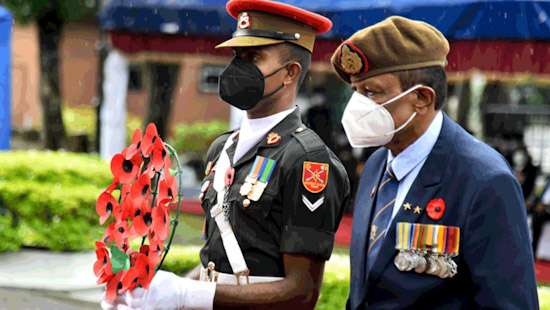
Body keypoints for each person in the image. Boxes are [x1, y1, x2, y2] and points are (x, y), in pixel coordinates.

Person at [101, 0, 350, 309]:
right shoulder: (223, 148)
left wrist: (187, 295)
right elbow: (217, 264)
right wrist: (154, 294)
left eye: (254, 56)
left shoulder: (307, 160)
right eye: (237, 55)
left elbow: (301, 294)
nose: (238, 67)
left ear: (289, 72)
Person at [331, 16, 539, 309]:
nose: (357, 107)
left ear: (422, 98)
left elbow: (509, 303)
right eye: (355, 91)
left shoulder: (484, 180)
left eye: (371, 92)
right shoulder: (378, 165)